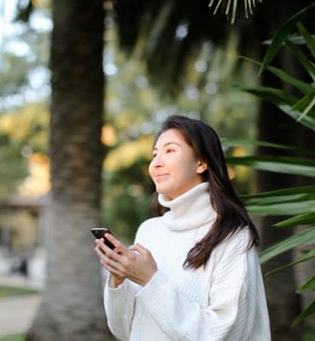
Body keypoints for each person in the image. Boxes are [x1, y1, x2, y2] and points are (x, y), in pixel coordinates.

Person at [94, 115, 271, 340]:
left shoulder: (232, 236)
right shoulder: (149, 231)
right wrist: (119, 281)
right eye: (155, 153)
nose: (156, 163)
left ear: (201, 163)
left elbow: (224, 333)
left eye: (170, 151)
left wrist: (150, 280)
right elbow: (125, 331)